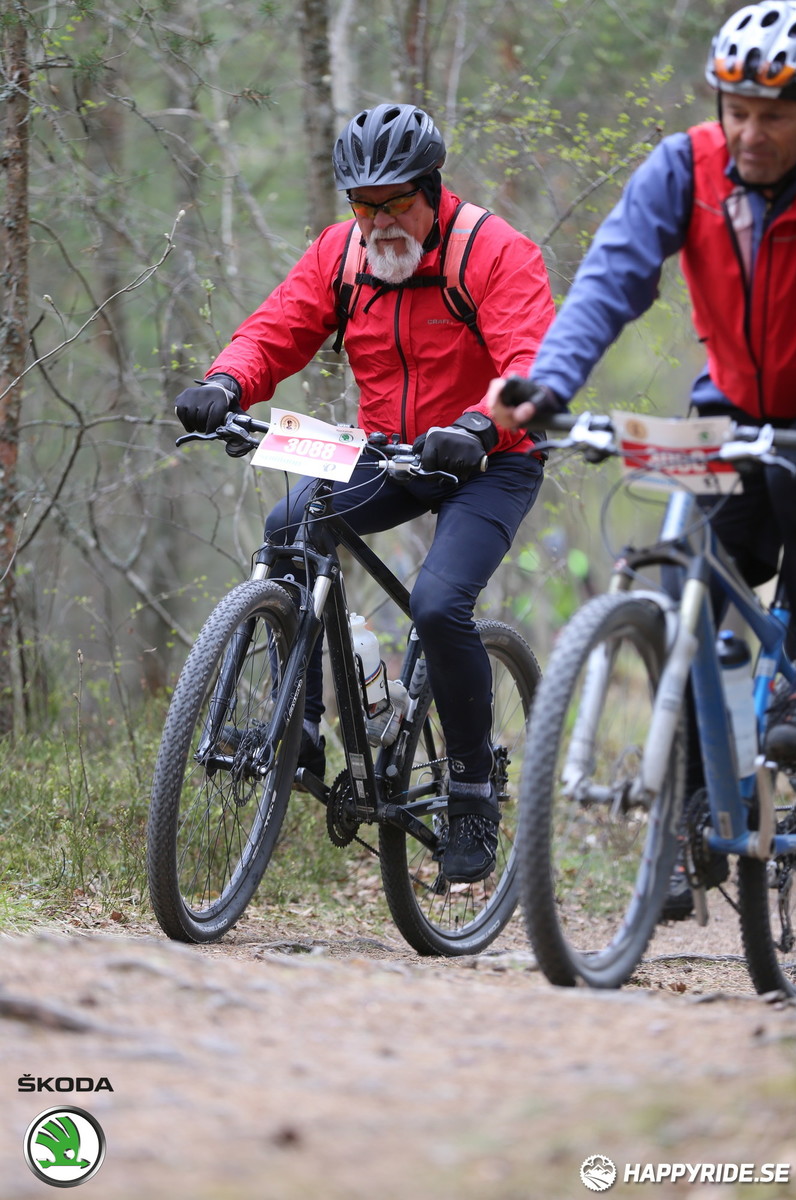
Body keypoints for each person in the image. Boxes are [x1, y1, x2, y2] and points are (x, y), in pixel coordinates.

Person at [174, 103, 555, 884]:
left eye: (395, 202)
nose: (378, 220)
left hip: (494, 457)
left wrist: (483, 426)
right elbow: (277, 328)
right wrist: (225, 380)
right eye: (362, 203)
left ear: (433, 190)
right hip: (389, 451)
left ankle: (473, 789)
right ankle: (301, 725)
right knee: (289, 528)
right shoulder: (343, 255)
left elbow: (532, 361)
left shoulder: (494, 252)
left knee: (440, 605)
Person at [489, 0, 796, 916]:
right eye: (734, 109)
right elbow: (613, 274)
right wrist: (548, 386)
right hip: (730, 416)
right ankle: (689, 818)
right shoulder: (688, 168)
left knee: (793, 703)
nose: (749, 131)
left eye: (775, 113)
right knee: (680, 602)